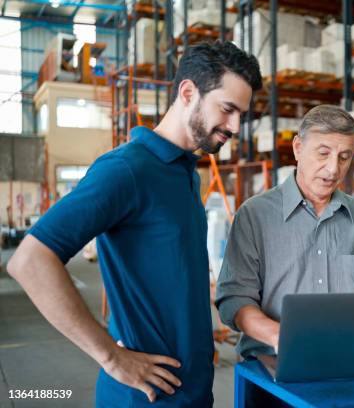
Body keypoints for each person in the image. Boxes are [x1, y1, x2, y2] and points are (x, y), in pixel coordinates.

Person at [7, 41, 262, 407]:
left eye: (242, 114)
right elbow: (29, 261)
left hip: (193, 393)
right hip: (143, 398)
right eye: (228, 109)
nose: (236, 125)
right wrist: (111, 356)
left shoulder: (187, 174)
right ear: (188, 92)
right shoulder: (127, 169)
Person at [215, 104, 354, 406]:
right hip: (272, 374)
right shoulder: (255, 215)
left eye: (344, 157)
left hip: (347, 371)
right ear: (297, 148)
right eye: (323, 153)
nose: (334, 169)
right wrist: (280, 336)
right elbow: (235, 300)